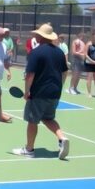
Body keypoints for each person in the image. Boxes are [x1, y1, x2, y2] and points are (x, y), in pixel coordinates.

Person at [11, 24, 70, 160]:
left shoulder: (36, 52)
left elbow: (30, 75)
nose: (35, 36)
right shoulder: (59, 52)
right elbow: (65, 72)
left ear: (41, 37)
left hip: (39, 93)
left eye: (37, 34)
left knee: (33, 121)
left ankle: (29, 150)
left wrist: (27, 92)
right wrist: (60, 86)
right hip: (55, 93)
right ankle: (62, 138)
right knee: (48, 118)